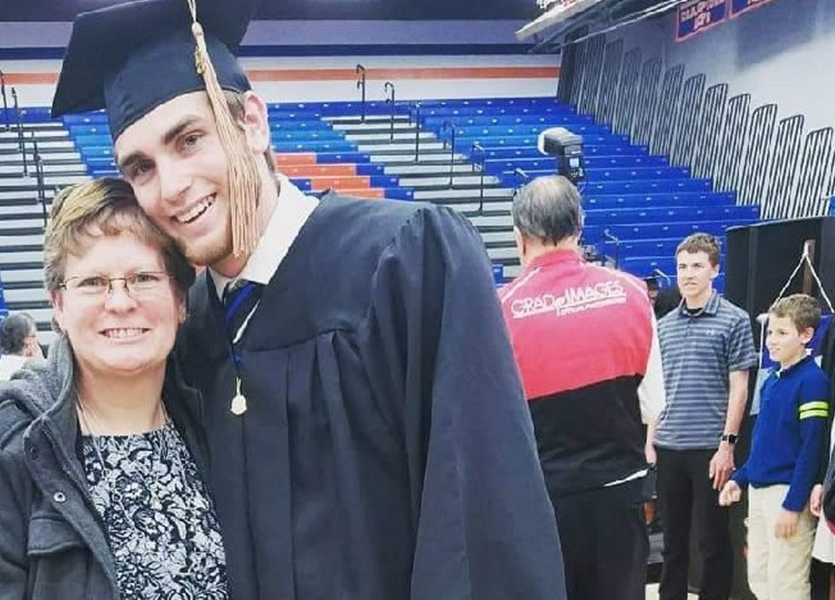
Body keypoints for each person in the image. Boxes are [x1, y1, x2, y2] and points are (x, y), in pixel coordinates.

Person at [49, 1, 567, 598]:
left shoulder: (406, 260)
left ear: (253, 123)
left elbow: (483, 518)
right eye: (140, 168)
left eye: (190, 139)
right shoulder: (185, 335)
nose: (171, 187)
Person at [0, 178, 223, 599]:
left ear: (180, 300)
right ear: (59, 305)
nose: (120, 302)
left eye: (142, 278)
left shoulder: (219, 420)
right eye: (93, 282)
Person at [498, 176, 665, 600]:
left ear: (519, 237)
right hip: (619, 497)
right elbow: (653, 404)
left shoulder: (499, 311)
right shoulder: (632, 293)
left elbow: (493, 426)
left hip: (542, 505)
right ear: (579, 226)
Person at [651, 232, 758, 600]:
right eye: (682, 266)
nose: (688, 274)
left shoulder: (734, 320)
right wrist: (650, 440)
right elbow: (656, 388)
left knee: (712, 540)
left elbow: (740, 387)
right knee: (673, 544)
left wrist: (727, 444)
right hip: (669, 446)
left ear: (714, 269)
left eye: (697, 266)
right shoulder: (663, 327)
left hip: (710, 449)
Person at [719, 294, 830, 600]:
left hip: (786, 493)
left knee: (787, 585)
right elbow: (763, 443)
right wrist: (740, 478)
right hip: (758, 492)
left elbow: (812, 447)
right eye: (770, 332)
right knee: (759, 578)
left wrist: (794, 504)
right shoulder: (771, 380)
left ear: (806, 335)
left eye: (782, 333)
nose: (772, 340)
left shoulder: (813, 381)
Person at [0, 312, 45, 385]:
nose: (36, 340)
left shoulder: (3, 362)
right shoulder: (27, 366)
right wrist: (40, 363)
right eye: (33, 336)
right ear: (24, 340)